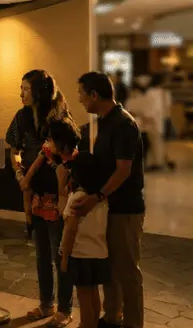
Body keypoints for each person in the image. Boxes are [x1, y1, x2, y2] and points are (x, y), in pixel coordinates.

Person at [75, 72, 145, 328]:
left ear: (94, 94)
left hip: (125, 209)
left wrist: (97, 197)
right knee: (111, 267)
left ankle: (134, 323)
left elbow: (123, 169)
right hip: (108, 206)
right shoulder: (103, 122)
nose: (80, 100)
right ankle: (112, 316)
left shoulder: (123, 123)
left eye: (82, 94)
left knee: (127, 271)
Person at [7, 70, 73, 327]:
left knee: (61, 254)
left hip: (58, 192)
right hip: (33, 193)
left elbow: (62, 152)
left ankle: (65, 309)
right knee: (41, 254)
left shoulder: (59, 116)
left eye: (24, 88)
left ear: (39, 91)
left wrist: (30, 174)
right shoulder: (21, 117)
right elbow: (14, 150)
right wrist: (18, 172)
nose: (20, 93)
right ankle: (47, 304)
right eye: (20, 88)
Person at [60, 150, 110, 328]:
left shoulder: (78, 199)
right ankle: (93, 324)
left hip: (81, 256)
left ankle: (86, 324)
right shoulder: (100, 200)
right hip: (99, 254)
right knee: (94, 294)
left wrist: (64, 258)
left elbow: (70, 230)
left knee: (84, 298)